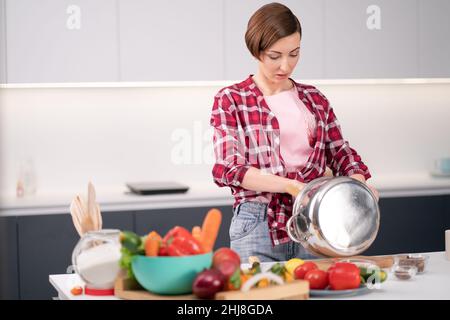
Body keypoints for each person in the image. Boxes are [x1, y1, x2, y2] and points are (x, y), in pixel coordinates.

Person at [210, 2, 378, 263]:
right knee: (260, 297)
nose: (285, 66)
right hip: (257, 222)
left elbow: (341, 153)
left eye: (294, 54)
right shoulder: (231, 99)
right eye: (275, 56)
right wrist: (291, 186)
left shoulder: (314, 98)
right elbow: (229, 167)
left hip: (316, 220)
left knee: (316, 291)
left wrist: (359, 187)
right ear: (256, 51)